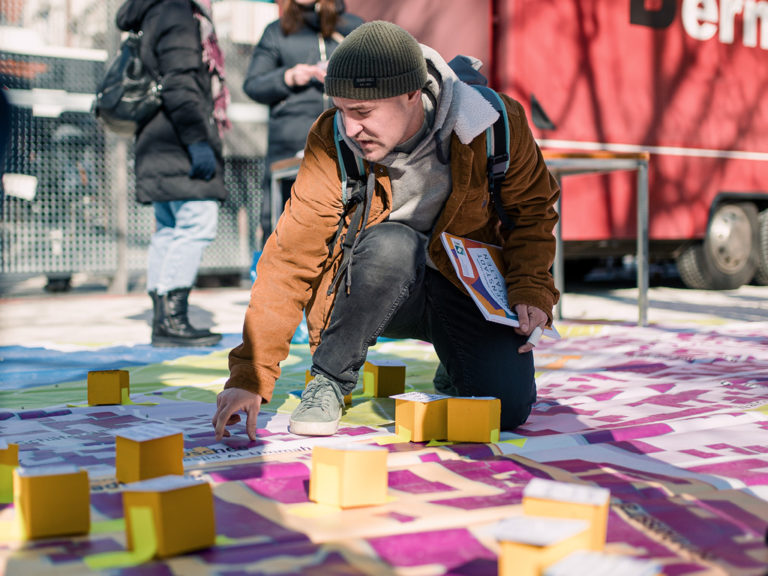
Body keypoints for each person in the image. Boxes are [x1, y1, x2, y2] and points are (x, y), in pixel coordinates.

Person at [213, 21, 560, 440]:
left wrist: (531, 289)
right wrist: (249, 375)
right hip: (374, 288)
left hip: (464, 287)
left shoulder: (493, 124)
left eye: (362, 113)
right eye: (342, 110)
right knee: (392, 243)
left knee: (505, 408)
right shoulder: (334, 140)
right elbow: (291, 255)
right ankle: (329, 379)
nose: (351, 127)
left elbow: (532, 213)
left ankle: (457, 363)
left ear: (412, 94)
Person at [116, 0, 230, 347]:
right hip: (179, 141)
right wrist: (198, 141)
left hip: (158, 141)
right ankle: (173, 320)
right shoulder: (178, 11)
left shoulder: (153, 11)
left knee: (168, 228)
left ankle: (163, 320)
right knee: (197, 223)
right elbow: (180, 84)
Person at [242, 0, 363, 245]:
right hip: (289, 142)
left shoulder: (351, 28)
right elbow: (253, 85)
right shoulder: (277, 31)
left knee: (342, 214)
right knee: (282, 217)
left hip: (344, 137)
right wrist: (289, 76)